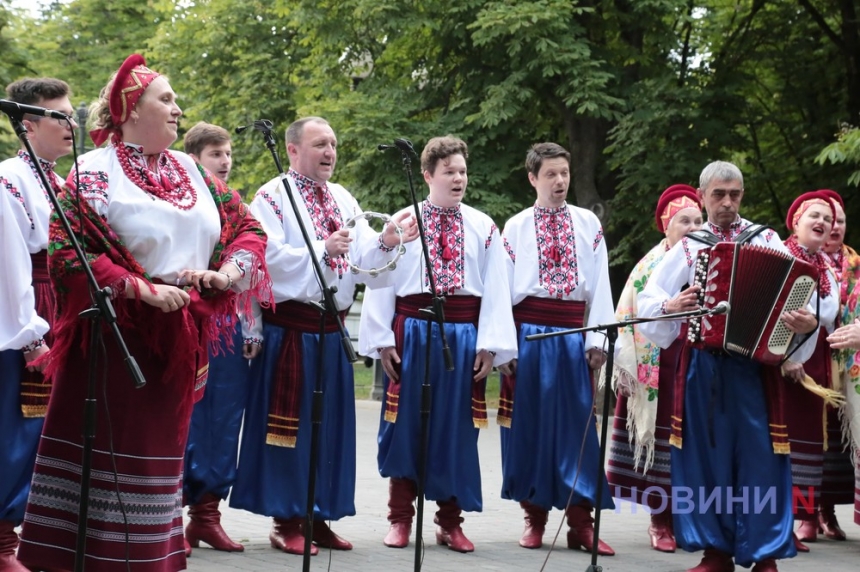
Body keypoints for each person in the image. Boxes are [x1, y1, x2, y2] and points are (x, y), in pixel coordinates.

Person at [16, 54, 271, 572]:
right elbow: (69, 252)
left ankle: (150, 560)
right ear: (131, 109)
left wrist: (226, 274)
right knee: (106, 456)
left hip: (177, 344)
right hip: (112, 342)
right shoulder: (93, 171)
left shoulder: (194, 172)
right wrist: (139, 289)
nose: (178, 109)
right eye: (166, 99)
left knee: (161, 460)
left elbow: (250, 229)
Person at [229, 116, 418, 556]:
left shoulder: (343, 196)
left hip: (331, 331)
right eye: (320, 144)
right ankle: (286, 519)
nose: (330, 151)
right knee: (290, 428)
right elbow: (265, 258)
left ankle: (319, 514)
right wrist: (321, 249)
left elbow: (364, 259)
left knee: (330, 426)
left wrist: (387, 241)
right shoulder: (271, 197)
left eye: (333, 143)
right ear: (293, 150)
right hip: (291, 331)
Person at [637, 161, 818, 572]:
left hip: (756, 370)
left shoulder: (767, 239)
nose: (727, 202)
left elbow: (798, 300)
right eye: (718, 194)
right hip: (704, 365)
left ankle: (764, 553)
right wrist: (672, 305)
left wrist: (805, 324)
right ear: (702, 197)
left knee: (761, 460)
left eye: (734, 194)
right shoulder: (689, 245)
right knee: (706, 458)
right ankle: (715, 552)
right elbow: (647, 300)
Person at [358, 135, 518, 553]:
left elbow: (497, 290)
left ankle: (450, 521)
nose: (459, 178)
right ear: (428, 175)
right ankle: (399, 519)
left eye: (463, 171)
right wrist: (381, 342)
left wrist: (490, 346)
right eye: (449, 171)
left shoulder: (483, 226)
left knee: (457, 430)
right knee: (406, 425)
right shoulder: (402, 221)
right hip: (411, 331)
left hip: (462, 338)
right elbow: (381, 282)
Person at [497, 142, 616, 554]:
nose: (560, 181)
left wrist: (597, 339)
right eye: (550, 174)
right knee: (529, 428)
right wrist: (503, 348)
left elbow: (601, 286)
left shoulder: (588, 224)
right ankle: (534, 518)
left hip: (571, 337)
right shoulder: (514, 227)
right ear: (533, 178)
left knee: (577, 431)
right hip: (528, 336)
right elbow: (499, 293)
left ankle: (582, 523)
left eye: (564, 173)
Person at [0, 77, 75, 572]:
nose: (72, 124)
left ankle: (31, 533)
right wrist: (30, 334)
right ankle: (3, 538)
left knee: (52, 428)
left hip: (65, 308)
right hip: (31, 308)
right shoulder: (10, 178)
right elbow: (9, 262)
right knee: (20, 427)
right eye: (60, 116)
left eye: (72, 114)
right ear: (28, 124)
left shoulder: (64, 182)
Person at [606, 184, 704, 553]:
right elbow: (627, 318)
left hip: (698, 359)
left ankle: (690, 518)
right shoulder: (649, 266)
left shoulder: (711, 259)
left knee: (693, 439)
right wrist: (627, 372)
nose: (694, 227)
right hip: (661, 361)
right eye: (684, 221)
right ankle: (660, 520)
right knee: (662, 439)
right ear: (666, 226)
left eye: (699, 220)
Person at [180, 121, 248, 554]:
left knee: (224, 419)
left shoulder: (236, 206)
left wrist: (252, 327)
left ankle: (207, 516)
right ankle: (167, 514)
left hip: (228, 325)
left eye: (227, 154)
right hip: (185, 316)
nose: (224, 162)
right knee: (183, 417)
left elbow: (255, 259)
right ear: (193, 160)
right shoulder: (180, 200)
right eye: (215, 154)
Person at [778, 192, 839, 552]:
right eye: (814, 215)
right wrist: (784, 357)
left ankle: (800, 518)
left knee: (809, 444)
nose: (823, 222)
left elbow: (829, 318)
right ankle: (775, 520)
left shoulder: (827, 267)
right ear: (796, 222)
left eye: (828, 219)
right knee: (779, 441)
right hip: (781, 364)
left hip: (814, 363)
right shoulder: (781, 256)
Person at [806, 189, 856, 542]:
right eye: (828, 219)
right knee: (809, 436)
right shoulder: (802, 257)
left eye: (839, 220)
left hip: (850, 364)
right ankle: (806, 512)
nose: (833, 226)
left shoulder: (856, 265)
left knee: (839, 443)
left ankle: (828, 511)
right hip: (811, 357)